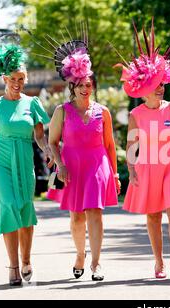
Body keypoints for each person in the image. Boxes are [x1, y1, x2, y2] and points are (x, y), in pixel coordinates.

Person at [0, 44, 53, 286]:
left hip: (25, 162)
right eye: (14, 78)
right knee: (9, 206)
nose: (18, 83)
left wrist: (47, 150)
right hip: (0, 162)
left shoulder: (32, 103)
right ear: (5, 78)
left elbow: (39, 135)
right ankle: (13, 266)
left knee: (25, 209)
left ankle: (26, 260)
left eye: (22, 79)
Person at [116, 19, 170, 279]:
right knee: (153, 216)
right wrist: (130, 168)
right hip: (147, 167)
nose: (161, 88)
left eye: (162, 83)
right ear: (145, 88)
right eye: (156, 84)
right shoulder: (136, 113)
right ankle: (158, 261)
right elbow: (131, 145)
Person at [46, 39, 119, 281]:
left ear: (93, 86)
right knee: (77, 216)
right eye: (80, 85)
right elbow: (52, 143)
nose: (84, 88)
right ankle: (80, 254)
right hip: (71, 166)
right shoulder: (61, 111)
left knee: (95, 213)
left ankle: (96, 264)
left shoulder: (103, 112)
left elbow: (109, 145)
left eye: (88, 84)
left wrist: (116, 174)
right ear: (72, 87)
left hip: (98, 165)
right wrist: (60, 164)